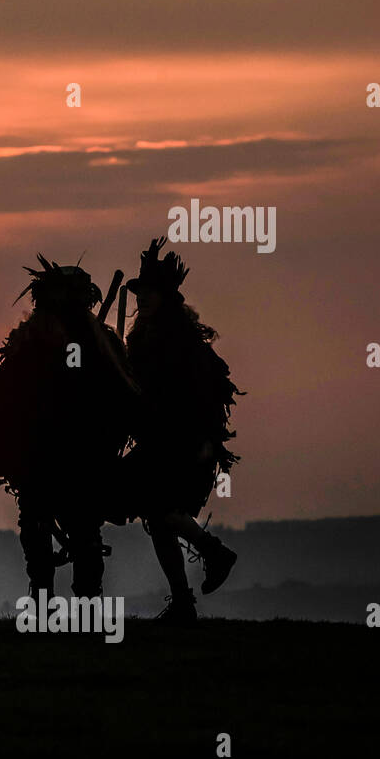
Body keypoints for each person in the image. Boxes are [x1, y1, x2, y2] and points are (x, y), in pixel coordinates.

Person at [0, 256, 137, 598]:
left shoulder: (90, 345)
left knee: (75, 528)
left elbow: (117, 396)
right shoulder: (39, 345)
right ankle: (51, 601)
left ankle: (71, 601)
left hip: (77, 456)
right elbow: (7, 393)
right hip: (45, 457)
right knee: (53, 526)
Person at [120, 238, 242, 623]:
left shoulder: (182, 342)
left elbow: (207, 391)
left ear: (167, 298)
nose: (142, 300)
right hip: (158, 440)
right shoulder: (141, 339)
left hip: (184, 443)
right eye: (140, 294)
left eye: (150, 293)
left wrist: (207, 440)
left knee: (160, 510)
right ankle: (183, 601)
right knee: (156, 518)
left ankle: (213, 552)